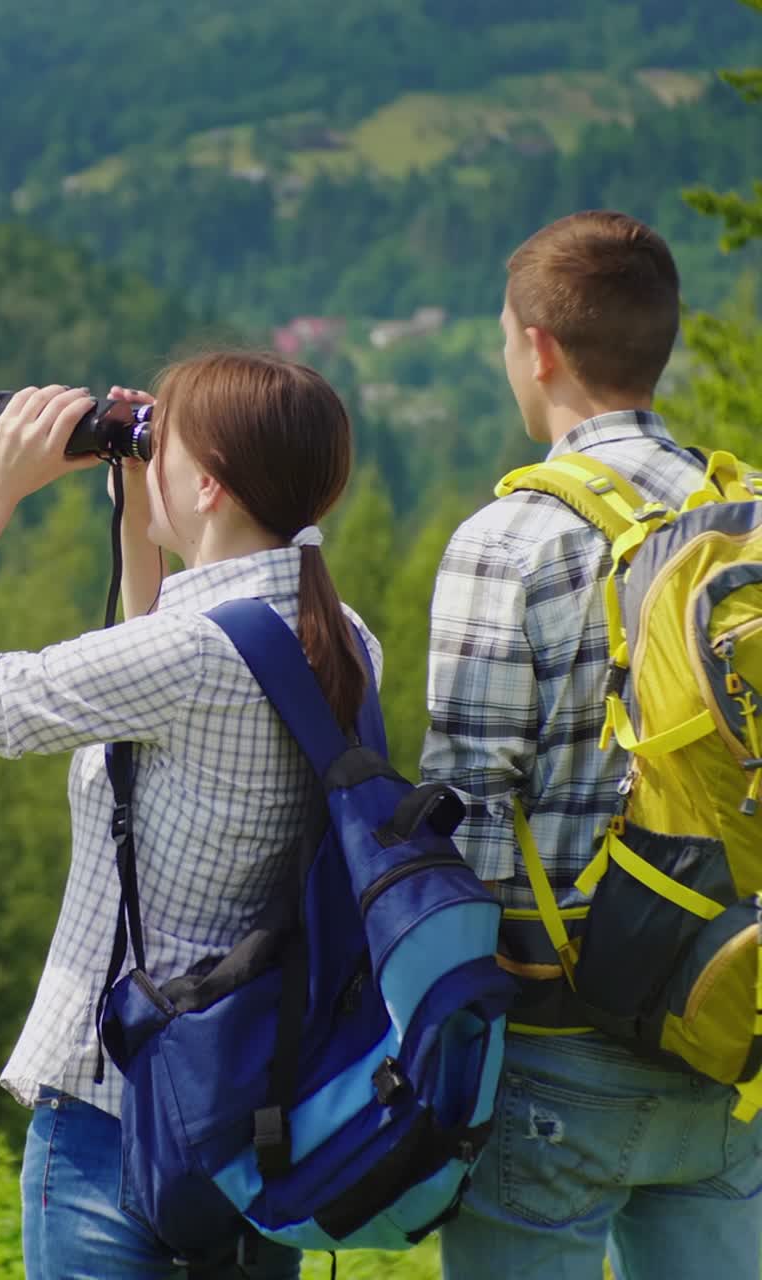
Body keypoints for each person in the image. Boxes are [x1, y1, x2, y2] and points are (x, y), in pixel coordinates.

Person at [0, 351, 382, 1279]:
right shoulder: (343, 639)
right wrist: (141, 515)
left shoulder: (185, 660)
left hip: (117, 1110)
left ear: (212, 484)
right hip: (262, 1099)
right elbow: (175, 691)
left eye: (162, 443)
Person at [420, 209, 762, 1280]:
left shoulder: (508, 537)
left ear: (537, 347)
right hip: (725, 1019)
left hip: (553, 1048)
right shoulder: (746, 515)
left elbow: (462, 806)